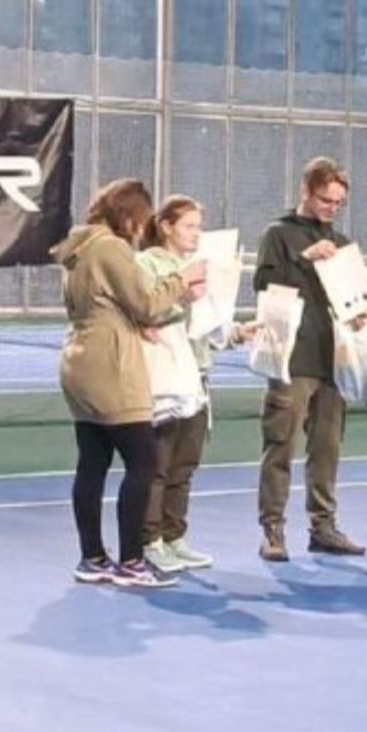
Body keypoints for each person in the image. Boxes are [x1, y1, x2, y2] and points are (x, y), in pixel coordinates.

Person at [53, 178, 207, 589]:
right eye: (141, 217)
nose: (142, 227)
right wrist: (181, 280)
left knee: (93, 462)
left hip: (79, 361)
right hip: (111, 365)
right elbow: (146, 304)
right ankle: (133, 561)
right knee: (143, 462)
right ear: (128, 215)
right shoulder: (110, 248)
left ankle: (92, 557)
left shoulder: (79, 248)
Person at [136, 195, 256, 573]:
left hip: (197, 378)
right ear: (166, 226)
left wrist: (237, 333)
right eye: (189, 226)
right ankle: (149, 541)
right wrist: (183, 294)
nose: (196, 233)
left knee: (184, 466)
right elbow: (147, 312)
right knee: (157, 466)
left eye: (199, 227)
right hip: (164, 379)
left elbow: (208, 324)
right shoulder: (147, 263)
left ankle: (174, 537)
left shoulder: (202, 264)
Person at [254, 157, 365, 562]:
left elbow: (353, 297)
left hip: (332, 359)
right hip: (292, 358)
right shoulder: (278, 234)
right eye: (325, 200)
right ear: (305, 191)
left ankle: (323, 527)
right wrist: (305, 259)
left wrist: (361, 311)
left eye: (338, 203)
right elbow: (263, 285)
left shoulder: (342, 243)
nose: (331, 208)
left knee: (327, 448)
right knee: (281, 444)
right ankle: (273, 530)